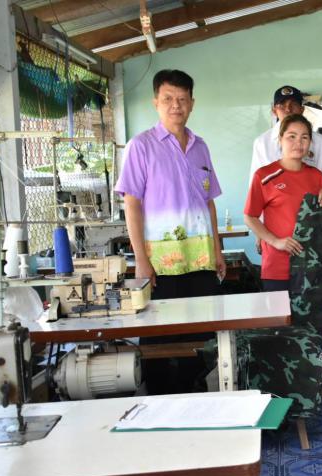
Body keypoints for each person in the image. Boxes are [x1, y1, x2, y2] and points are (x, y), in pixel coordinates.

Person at [115, 69, 225, 394]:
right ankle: (159, 401)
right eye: (168, 99)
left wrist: (217, 250)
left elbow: (209, 203)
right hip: (161, 264)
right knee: (159, 338)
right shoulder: (141, 146)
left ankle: (195, 394)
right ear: (156, 103)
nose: (175, 105)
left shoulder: (201, 147)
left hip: (201, 260)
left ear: (192, 103)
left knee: (201, 336)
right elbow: (132, 204)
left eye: (182, 99)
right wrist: (141, 259)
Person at [244, 114, 322, 292]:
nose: (298, 143)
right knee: (280, 311)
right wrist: (275, 241)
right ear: (280, 139)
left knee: (311, 311)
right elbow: (250, 217)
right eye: (292, 136)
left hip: (311, 264)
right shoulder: (264, 175)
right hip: (278, 266)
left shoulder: (317, 176)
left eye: (304, 137)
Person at [249, 85, 322, 179]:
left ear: (302, 110)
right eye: (282, 105)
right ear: (274, 111)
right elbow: (256, 181)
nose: (288, 109)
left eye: (294, 104)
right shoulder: (262, 143)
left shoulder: (321, 142)